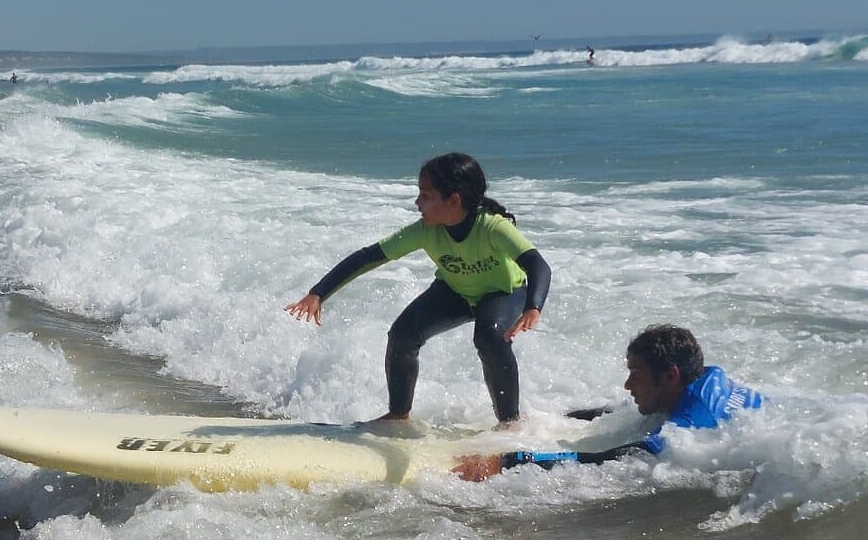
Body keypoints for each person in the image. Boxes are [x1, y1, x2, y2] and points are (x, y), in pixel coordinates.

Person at [286, 152, 552, 425]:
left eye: (426, 195)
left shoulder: (492, 227)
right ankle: (398, 415)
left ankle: (509, 423)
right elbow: (369, 257)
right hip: (455, 292)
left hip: (503, 293)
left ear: (454, 200)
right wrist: (319, 293)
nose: (417, 202)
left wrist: (533, 306)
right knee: (403, 335)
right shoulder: (425, 230)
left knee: (489, 336)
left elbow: (537, 264)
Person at [455, 324, 763, 480]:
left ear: (670, 375)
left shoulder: (689, 425)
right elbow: (625, 411)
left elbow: (617, 458)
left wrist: (508, 462)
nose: (628, 385)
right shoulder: (705, 376)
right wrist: (560, 416)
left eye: (636, 375)